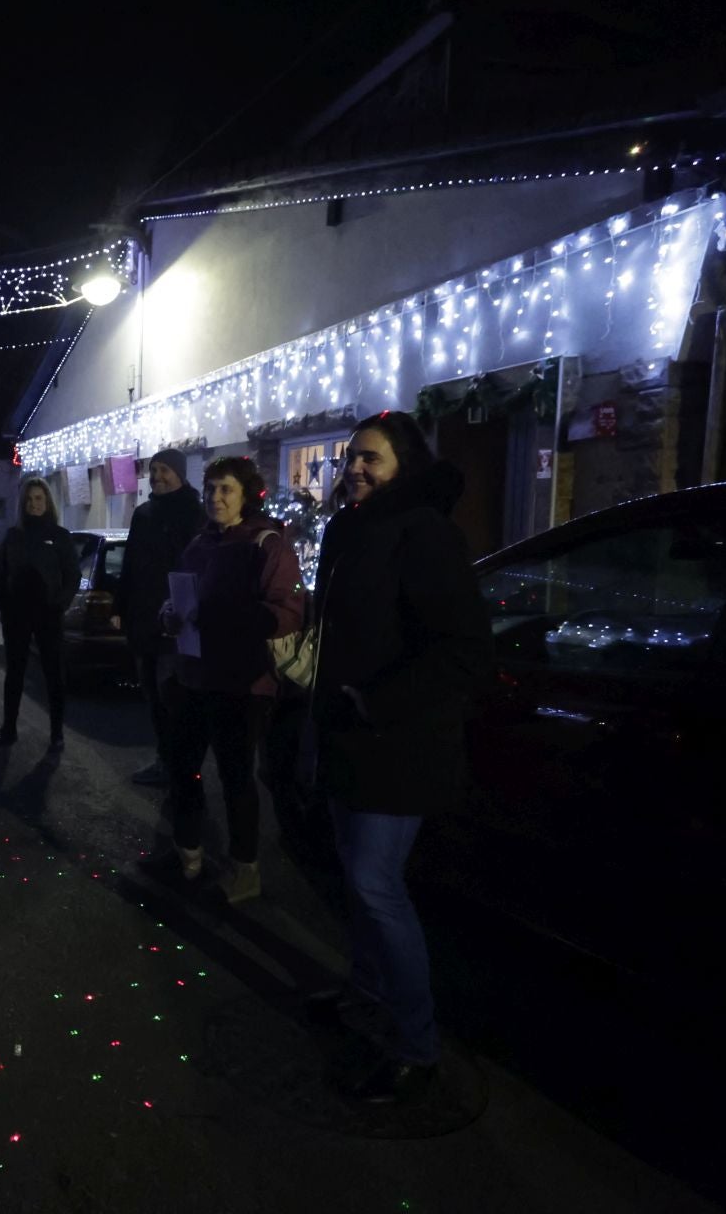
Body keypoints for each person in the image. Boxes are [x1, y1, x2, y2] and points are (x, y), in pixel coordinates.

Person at [308, 410, 491, 1106]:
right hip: (348, 736)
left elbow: (465, 651)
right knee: (356, 883)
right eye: (351, 456)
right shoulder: (354, 529)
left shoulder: (424, 534)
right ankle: (367, 992)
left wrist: (373, 699)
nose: (356, 467)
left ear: (403, 467)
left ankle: (418, 1044)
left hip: (399, 743)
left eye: (372, 459)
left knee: (376, 885)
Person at [153, 456, 303, 904]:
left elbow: (288, 612)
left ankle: (244, 868)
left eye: (226, 490)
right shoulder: (199, 543)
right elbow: (182, 598)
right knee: (183, 768)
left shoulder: (266, 543)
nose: (216, 498)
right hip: (194, 675)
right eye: (211, 489)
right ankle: (187, 852)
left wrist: (229, 616)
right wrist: (170, 614)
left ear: (246, 494)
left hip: (243, 682)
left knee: (237, 778)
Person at [117, 447, 202, 784]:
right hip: (143, 622)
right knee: (153, 697)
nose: (157, 477)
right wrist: (120, 607)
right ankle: (166, 762)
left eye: (165, 470)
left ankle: (182, 769)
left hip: (176, 625)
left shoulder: (194, 512)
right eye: (153, 471)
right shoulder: (144, 514)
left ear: (180, 473)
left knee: (174, 700)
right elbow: (130, 564)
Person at [0, 476, 81, 751]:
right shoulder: (14, 536)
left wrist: (59, 604)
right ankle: (9, 729)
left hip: (48, 615)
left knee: (54, 675)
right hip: (16, 616)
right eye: (29, 500)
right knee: (14, 673)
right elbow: (0, 572)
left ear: (47, 502)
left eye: (39, 499)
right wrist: (1, 602)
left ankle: (56, 733)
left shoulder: (60, 536)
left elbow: (72, 576)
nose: (34, 504)